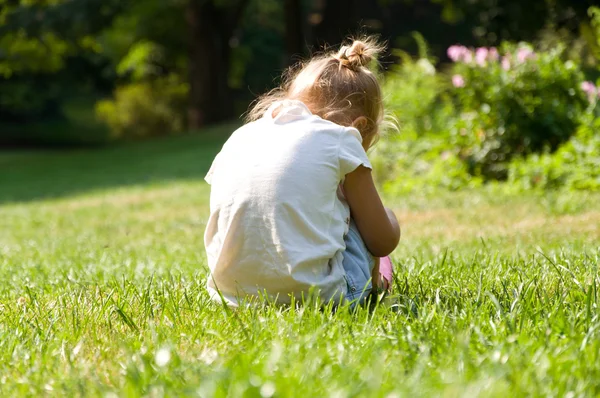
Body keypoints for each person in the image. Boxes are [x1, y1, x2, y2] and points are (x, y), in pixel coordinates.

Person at [204, 37, 401, 308]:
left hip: (231, 296)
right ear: (360, 126)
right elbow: (381, 241)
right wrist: (389, 219)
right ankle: (378, 282)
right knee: (371, 219)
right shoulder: (343, 139)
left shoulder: (240, 137)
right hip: (318, 296)